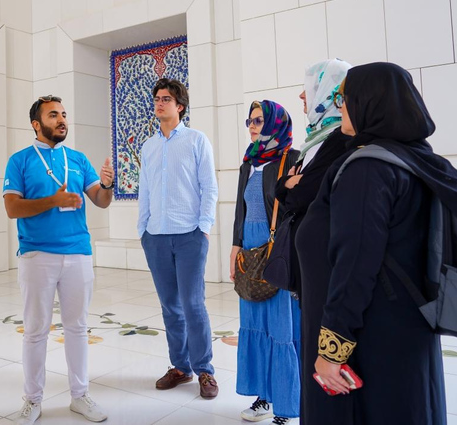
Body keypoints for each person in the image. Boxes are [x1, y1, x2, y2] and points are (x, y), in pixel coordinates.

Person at [296, 62, 457, 424]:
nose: (341, 107)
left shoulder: (368, 169)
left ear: (370, 103)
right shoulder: (415, 158)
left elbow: (355, 263)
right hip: (405, 328)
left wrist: (333, 348)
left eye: (345, 99)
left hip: (369, 338)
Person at [3, 95, 114, 425]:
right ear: (37, 124)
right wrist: (54, 200)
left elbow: (102, 201)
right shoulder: (19, 161)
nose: (62, 119)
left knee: (77, 328)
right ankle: (32, 400)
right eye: (54, 115)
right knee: (36, 330)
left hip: (78, 253)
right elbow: (12, 208)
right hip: (37, 254)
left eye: (64, 114)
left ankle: (80, 396)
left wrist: (107, 183)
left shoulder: (78, 159)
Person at [137, 78, 220, 399]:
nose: (159, 103)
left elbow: (208, 186)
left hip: (190, 235)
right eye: (156, 98)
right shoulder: (149, 145)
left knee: (193, 304)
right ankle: (181, 367)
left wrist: (204, 226)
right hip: (155, 236)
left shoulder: (197, 140)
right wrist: (142, 229)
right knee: (170, 306)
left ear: (180, 105)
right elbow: (145, 189)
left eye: (166, 98)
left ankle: (205, 370)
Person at [230, 100, 300, 424]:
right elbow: (240, 210)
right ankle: (265, 397)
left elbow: (298, 210)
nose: (253, 126)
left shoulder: (292, 158)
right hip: (250, 251)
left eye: (259, 120)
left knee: (281, 327)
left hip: (279, 250)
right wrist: (235, 247)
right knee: (255, 323)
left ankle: (286, 405)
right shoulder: (249, 161)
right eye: (250, 121)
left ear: (275, 122)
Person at [275, 59, 353, 296]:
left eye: (310, 88)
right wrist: (287, 183)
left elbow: (302, 197)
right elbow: (282, 191)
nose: (301, 95)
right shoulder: (314, 139)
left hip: (325, 258)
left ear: (329, 94)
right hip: (310, 257)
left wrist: (291, 185)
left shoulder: (339, 140)